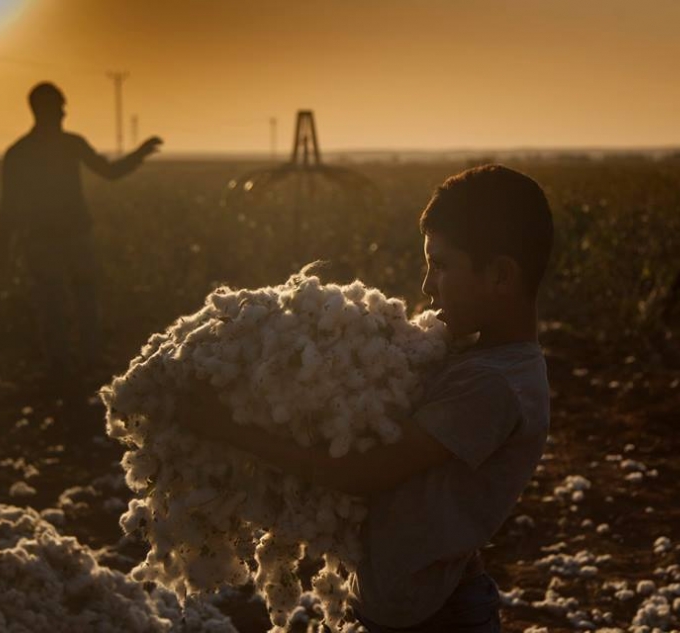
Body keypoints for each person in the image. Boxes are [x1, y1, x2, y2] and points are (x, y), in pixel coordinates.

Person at [176, 164, 554, 632]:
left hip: (438, 618)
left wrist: (229, 429)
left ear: (500, 275)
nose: (426, 286)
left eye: (440, 265)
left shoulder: (494, 385)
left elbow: (361, 473)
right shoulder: (468, 356)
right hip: (404, 605)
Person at [0, 81, 162, 376]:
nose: (64, 113)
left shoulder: (19, 152)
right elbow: (110, 172)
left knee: (56, 306)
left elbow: (8, 208)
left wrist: (4, 253)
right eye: (60, 107)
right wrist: (139, 154)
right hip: (66, 238)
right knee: (79, 303)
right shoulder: (66, 145)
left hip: (49, 240)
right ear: (46, 110)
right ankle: (84, 363)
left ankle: (65, 367)